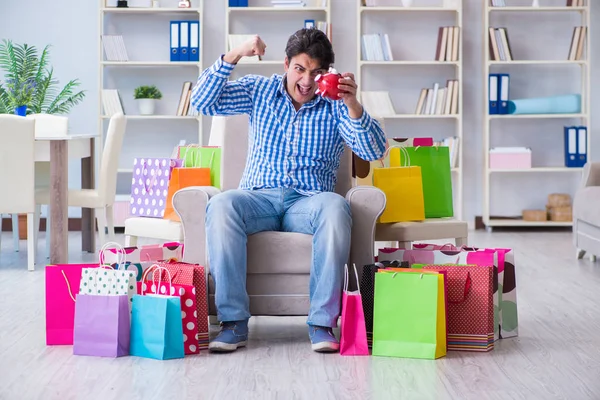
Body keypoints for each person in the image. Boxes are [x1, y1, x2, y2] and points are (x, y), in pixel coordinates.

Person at [191, 28, 386, 353]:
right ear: (286, 64)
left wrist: (353, 104)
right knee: (222, 205)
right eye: (300, 69)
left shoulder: (335, 104)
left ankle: (322, 324)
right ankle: (233, 323)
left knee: (336, 207)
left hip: (308, 203)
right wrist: (235, 53)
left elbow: (374, 149)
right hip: (258, 198)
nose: (307, 81)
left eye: (317, 72)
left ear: (327, 73)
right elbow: (202, 101)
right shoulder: (259, 89)